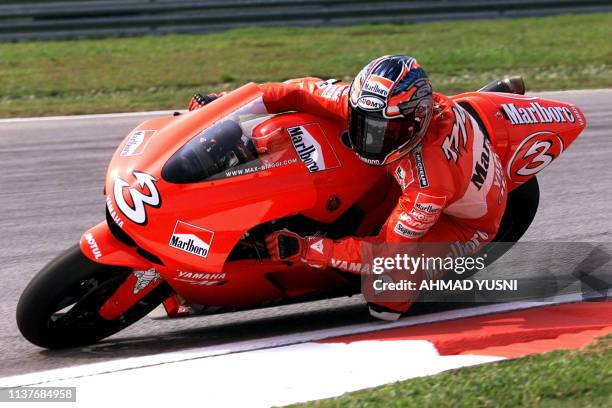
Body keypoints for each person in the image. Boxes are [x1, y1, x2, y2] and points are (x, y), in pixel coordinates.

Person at [188, 55, 507, 320]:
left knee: (385, 293)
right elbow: (299, 90)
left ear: (415, 122)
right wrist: (225, 106)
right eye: (361, 123)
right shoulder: (375, 106)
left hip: (466, 224)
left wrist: (308, 248)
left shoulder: (428, 183)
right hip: (429, 167)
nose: (369, 138)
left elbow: (384, 253)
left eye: (384, 131)